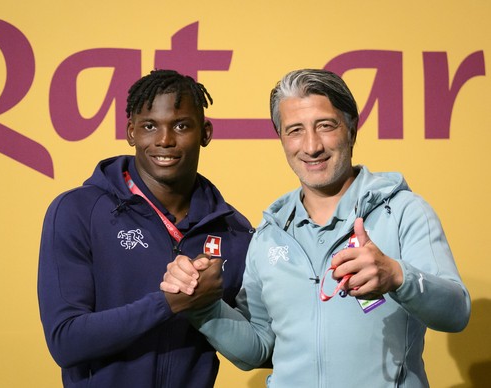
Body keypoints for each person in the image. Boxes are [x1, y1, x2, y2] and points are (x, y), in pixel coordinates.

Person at [160, 69, 471, 387]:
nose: (311, 146)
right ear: (281, 139)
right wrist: (204, 308)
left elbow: (456, 311)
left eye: (325, 126)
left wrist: (397, 275)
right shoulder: (268, 236)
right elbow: (258, 349)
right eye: (295, 130)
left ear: (351, 128)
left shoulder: (405, 211)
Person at [37, 69, 253, 387]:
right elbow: (65, 340)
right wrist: (169, 304)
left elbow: (258, 348)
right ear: (131, 132)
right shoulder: (78, 211)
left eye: (181, 125)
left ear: (205, 133)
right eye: (150, 126)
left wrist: (209, 307)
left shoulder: (234, 231)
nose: (165, 140)